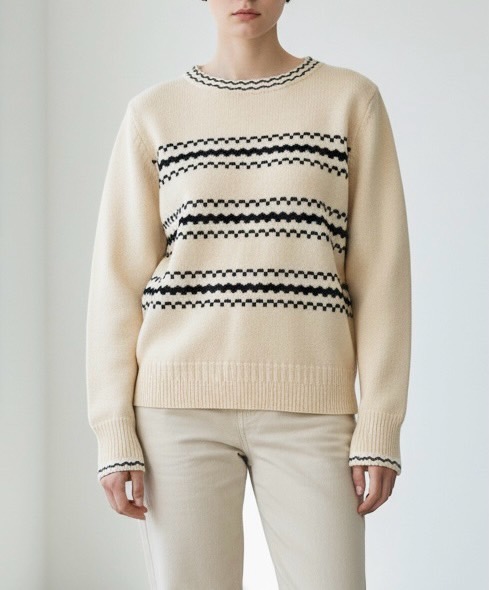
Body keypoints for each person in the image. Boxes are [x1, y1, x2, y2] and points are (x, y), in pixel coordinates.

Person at [86, 0, 412, 587]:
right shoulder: (153, 115)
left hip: (312, 407)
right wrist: (114, 432)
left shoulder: (350, 102)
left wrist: (380, 425)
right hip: (175, 411)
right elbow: (116, 284)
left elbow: (382, 276)